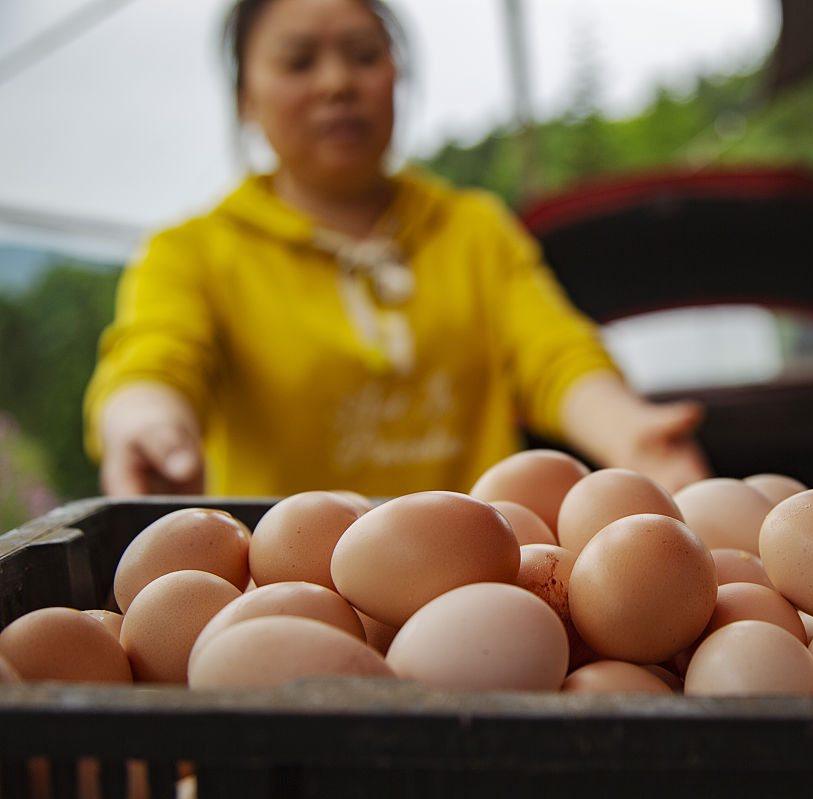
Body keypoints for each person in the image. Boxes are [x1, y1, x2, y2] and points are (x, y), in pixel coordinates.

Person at [84, 0, 709, 499]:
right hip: (286, 593)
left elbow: (555, 354)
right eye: (299, 62)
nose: (337, 83)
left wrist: (629, 433)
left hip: (489, 575)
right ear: (246, 97)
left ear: (397, 76)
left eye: (364, 55)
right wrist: (145, 423)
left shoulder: (473, 229)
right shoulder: (192, 252)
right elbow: (155, 358)